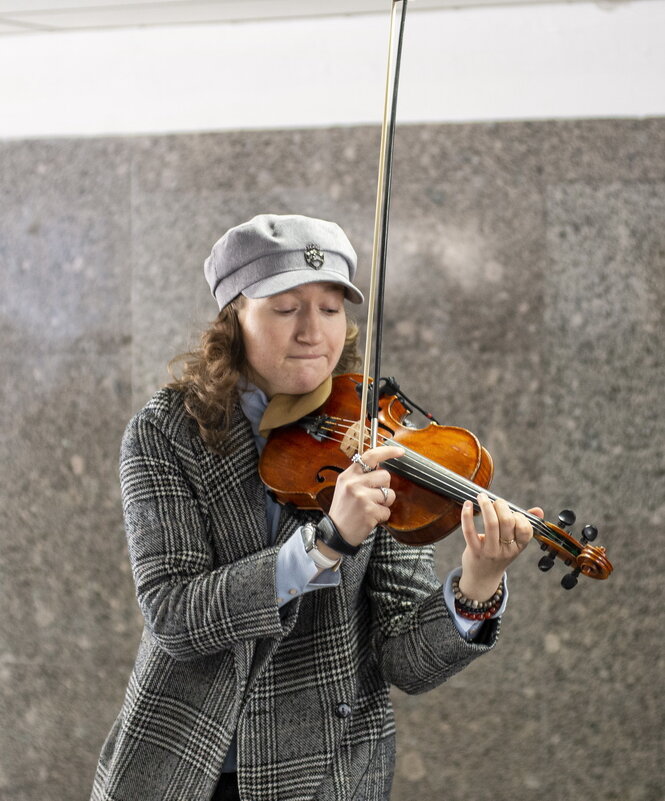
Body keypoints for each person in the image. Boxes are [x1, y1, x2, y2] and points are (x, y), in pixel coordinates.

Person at [90, 214, 543, 801]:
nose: (312, 331)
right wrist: (325, 543)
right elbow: (174, 615)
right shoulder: (167, 432)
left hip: (323, 777)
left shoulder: (377, 435)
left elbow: (406, 660)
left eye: (330, 309)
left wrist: (477, 585)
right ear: (235, 317)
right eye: (285, 309)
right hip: (185, 767)